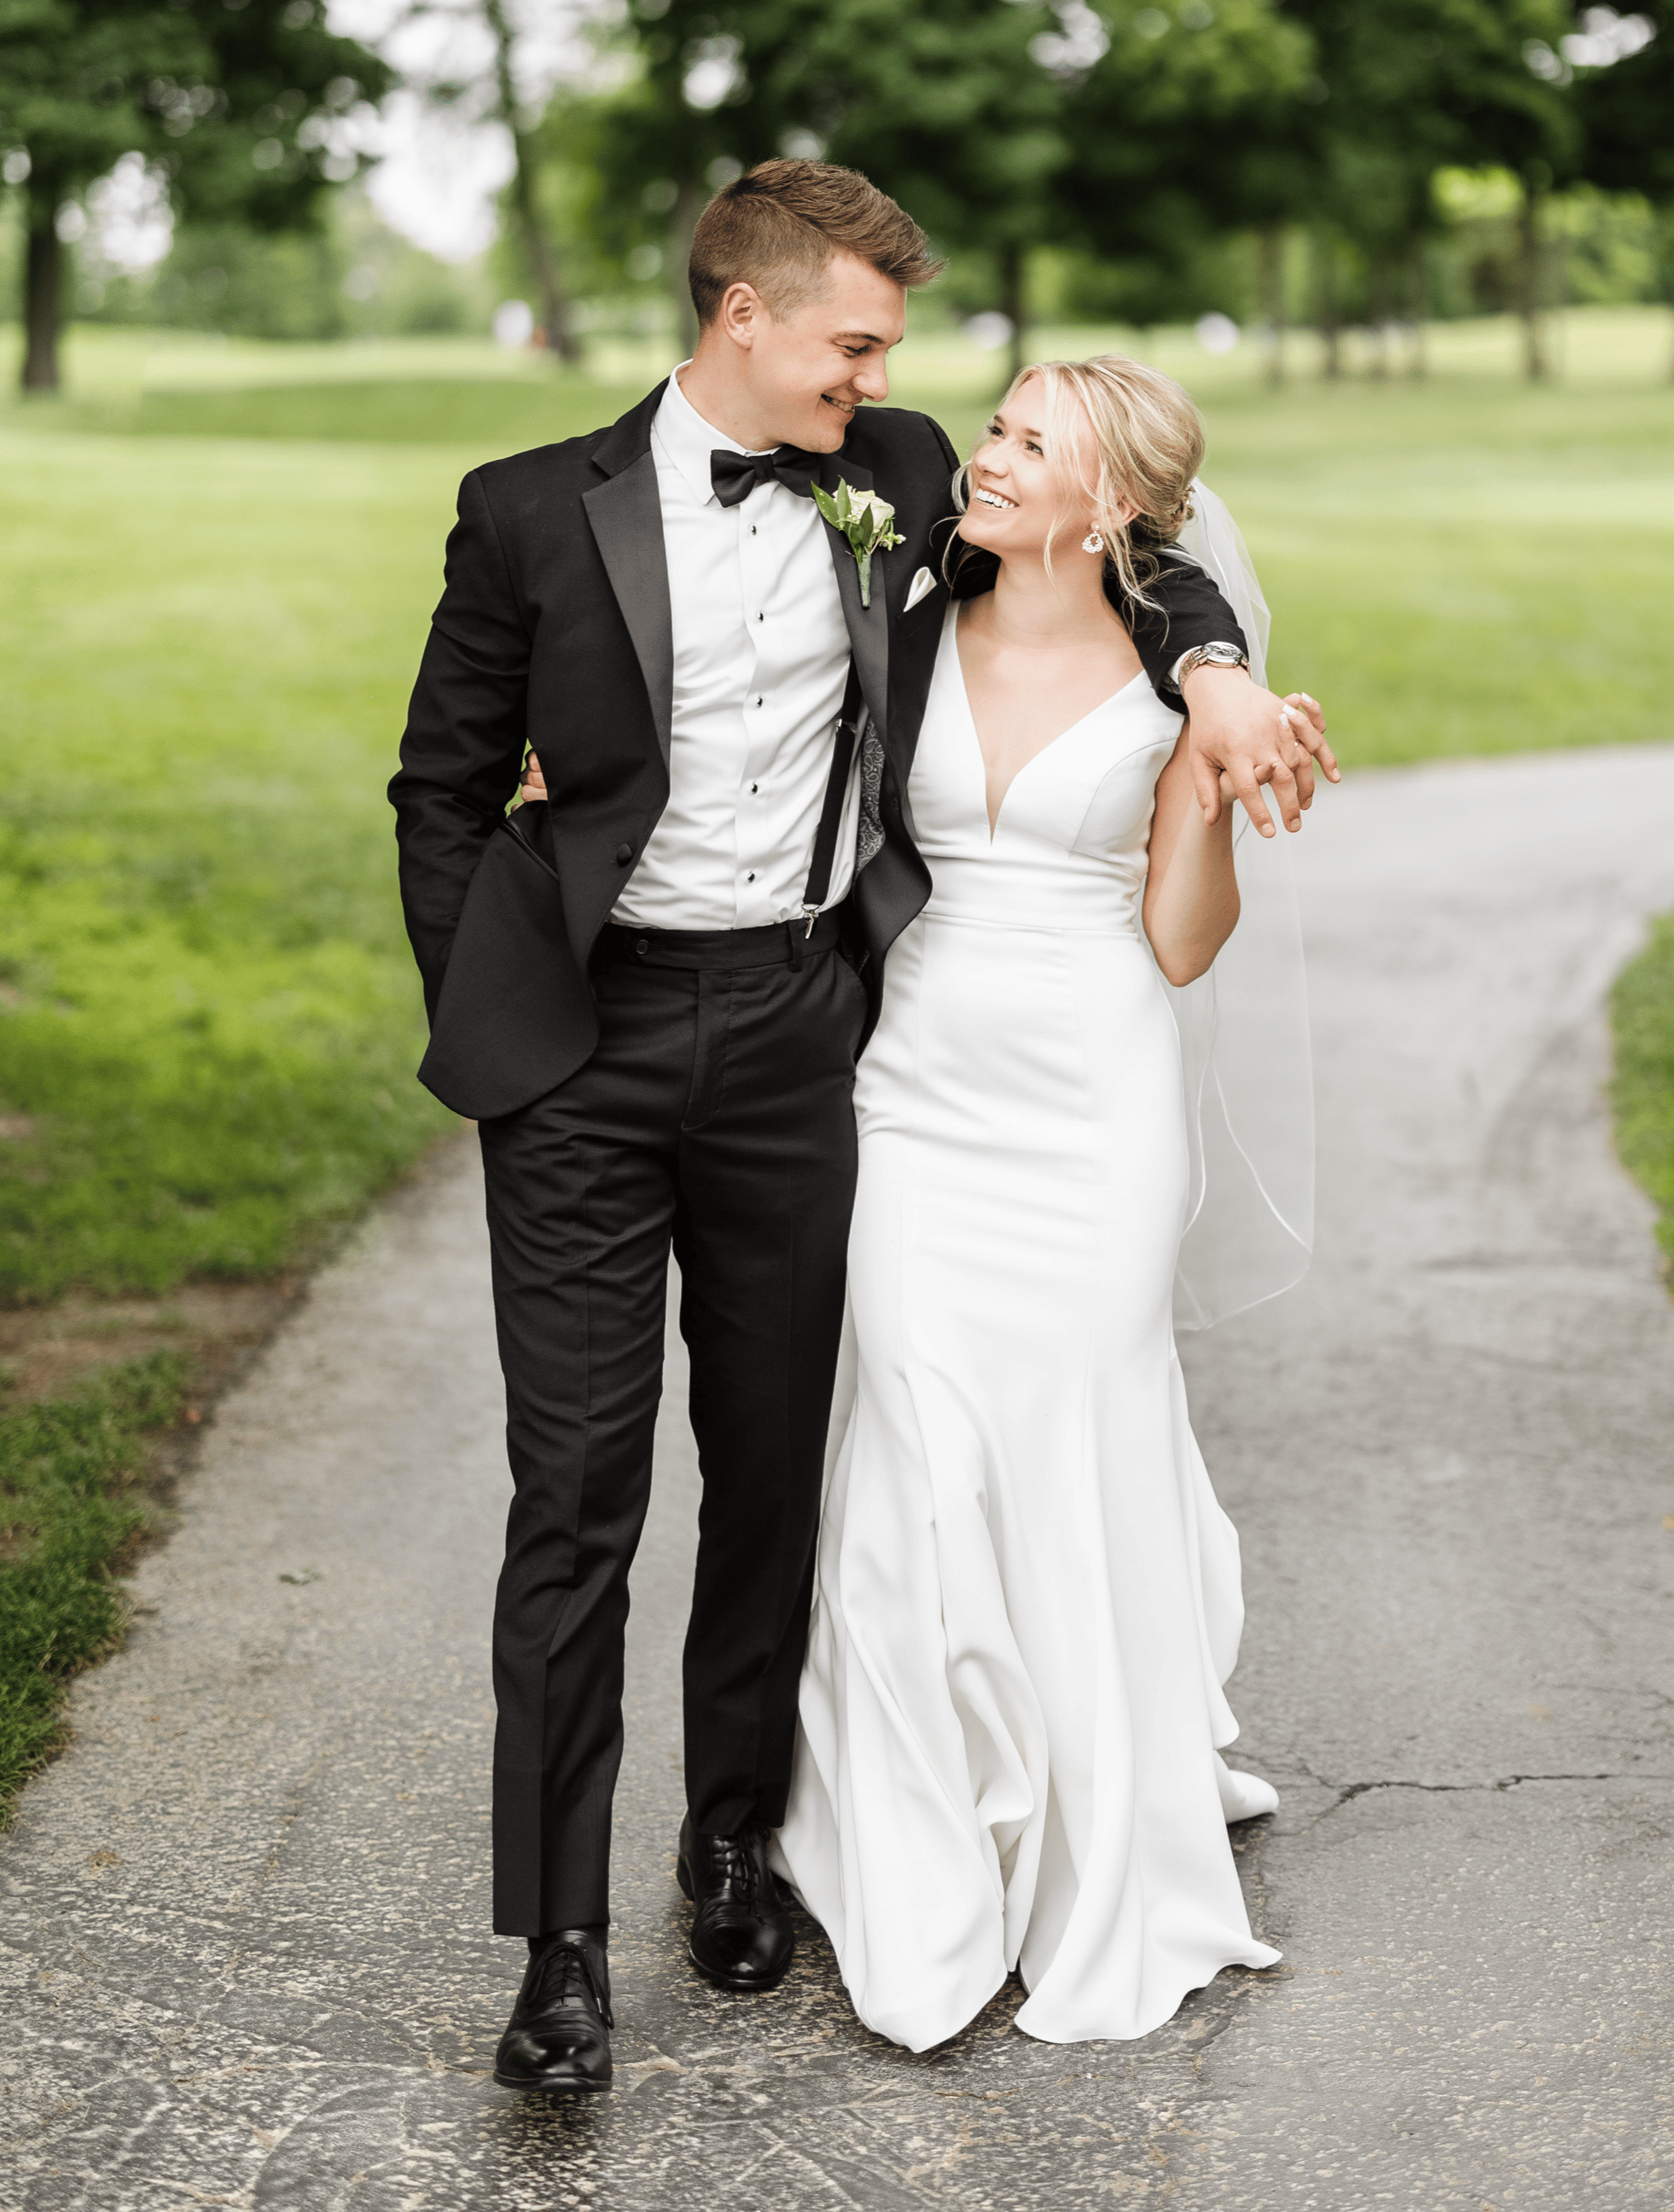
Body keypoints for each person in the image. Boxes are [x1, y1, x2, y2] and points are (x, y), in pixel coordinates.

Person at [389, 158, 1332, 2096]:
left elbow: (1151, 564)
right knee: (573, 1495)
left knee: (772, 1468)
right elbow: (438, 784)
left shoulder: (897, 472)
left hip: (808, 1035)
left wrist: (1221, 680)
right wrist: (495, 1007)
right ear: (744, 316)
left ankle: (730, 1836)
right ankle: (555, 1945)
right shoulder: (524, 516)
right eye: (855, 339)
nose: (885, 373)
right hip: (582, 1048)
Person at [770, 355, 1317, 2051]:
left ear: (1111, 506)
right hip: (915, 1098)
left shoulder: (1176, 681)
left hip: (1093, 1110)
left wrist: (1215, 783)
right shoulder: (906, 615)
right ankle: (923, 1831)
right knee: (920, 1441)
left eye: (1026, 441)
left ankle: (1093, 1815)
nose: (982, 452)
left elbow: (1175, 942)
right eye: (990, 426)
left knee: (1075, 1439)